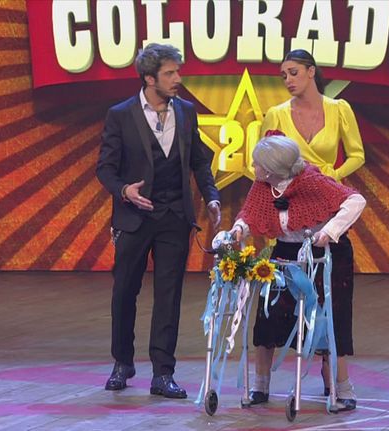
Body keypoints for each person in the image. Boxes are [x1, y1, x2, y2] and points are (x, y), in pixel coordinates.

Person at [96, 43, 221, 399]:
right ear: (149, 79)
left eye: (177, 71)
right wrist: (124, 191)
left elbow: (199, 160)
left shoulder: (186, 111)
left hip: (173, 217)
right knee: (125, 292)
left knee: (169, 295)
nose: (178, 79)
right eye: (170, 73)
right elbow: (105, 168)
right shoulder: (121, 115)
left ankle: (163, 373)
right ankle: (122, 363)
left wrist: (211, 195)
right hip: (134, 218)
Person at [248, 48, 366, 410]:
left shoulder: (340, 109)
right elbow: (264, 168)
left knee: (332, 308)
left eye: (294, 72)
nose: (287, 80)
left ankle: (338, 384)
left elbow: (357, 154)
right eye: (283, 74)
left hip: (324, 207)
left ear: (312, 71)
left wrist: (332, 177)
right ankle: (260, 384)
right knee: (273, 308)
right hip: (289, 226)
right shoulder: (276, 114)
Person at [228, 134, 366, 411]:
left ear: (271, 168)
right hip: (286, 253)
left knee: (329, 319)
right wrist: (239, 228)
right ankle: (260, 386)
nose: (253, 167)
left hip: (326, 255)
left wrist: (330, 231)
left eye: (256, 163)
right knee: (268, 315)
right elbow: (251, 214)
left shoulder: (312, 181)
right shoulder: (263, 185)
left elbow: (355, 200)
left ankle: (341, 387)